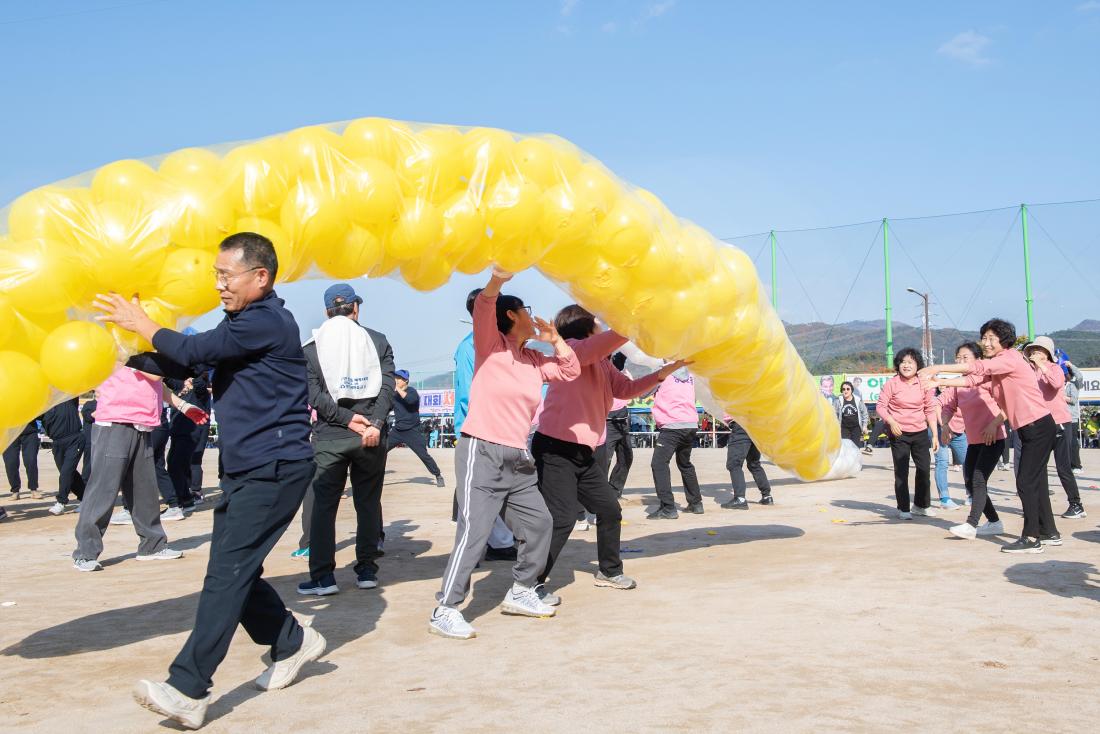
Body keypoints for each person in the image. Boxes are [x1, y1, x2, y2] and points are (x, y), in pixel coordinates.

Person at [97, 232, 326, 729]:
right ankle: (291, 639)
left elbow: (195, 347)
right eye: (216, 276)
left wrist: (145, 324)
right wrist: (128, 355)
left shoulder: (267, 320)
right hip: (248, 468)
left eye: (227, 276)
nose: (219, 285)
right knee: (233, 572)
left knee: (226, 574)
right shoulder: (242, 324)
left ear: (260, 277)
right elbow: (190, 360)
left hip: (275, 467)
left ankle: (188, 688)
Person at [430, 268, 580, 640]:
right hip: (482, 452)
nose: (534, 315)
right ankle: (445, 609)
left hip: (517, 457)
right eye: (526, 310)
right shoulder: (490, 347)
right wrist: (497, 280)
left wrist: (556, 340)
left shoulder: (533, 360)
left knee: (540, 523)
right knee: (475, 532)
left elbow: (571, 371)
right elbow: (484, 305)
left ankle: (522, 590)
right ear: (512, 315)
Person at [531, 305, 686, 600]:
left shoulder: (601, 362)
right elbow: (595, 347)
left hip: (585, 452)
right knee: (562, 518)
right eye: (597, 323)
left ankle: (609, 571)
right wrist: (632, 319)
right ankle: (529, 583)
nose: (601, 326)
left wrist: (662, 373)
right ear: (584, 328)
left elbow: (626, 390)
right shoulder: (574, 349)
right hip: (555, 448)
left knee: (609, 509)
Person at [920, 318, 1060, 553]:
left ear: (1003, 340)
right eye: (983, 338)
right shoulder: (999, 364)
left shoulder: (1009, 358)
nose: (985, 342)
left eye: (991, 338)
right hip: (1028, 428)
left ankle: (1032, 538)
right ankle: (1049, 533)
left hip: (1038, 425)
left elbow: (977, 368)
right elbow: (973, 379)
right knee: (1034, 481)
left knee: (1025, 482)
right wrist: (940, 380)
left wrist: (937, 368)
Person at [297, 283, 395, 596]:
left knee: (324, 508)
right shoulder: (377, 340)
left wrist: (346, 419)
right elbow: (387, 387)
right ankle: (367, 570)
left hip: (330, 438)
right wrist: (373, 424)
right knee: (367, 503)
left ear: (327, 311)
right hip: (371, 436)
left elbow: (313, 395)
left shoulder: (311, 347)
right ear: (355, 309)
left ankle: (323, 577)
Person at [71, 363, 191, 572]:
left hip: (142, 423)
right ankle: (85, 553)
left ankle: (152, 545)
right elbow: (154, 373)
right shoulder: (125, 349)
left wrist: (183, 405)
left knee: (144, 489)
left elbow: (156, 383)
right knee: (103, 490)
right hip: (116, 422)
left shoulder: (145, 350)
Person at [453, 287, 516, 562]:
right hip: (479, 428)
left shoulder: (500, 344)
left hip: (497, 427)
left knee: (494, 488)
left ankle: (496, 542)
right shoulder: (470, 346)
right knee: (480, 491)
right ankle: (490, 545)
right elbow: (470, 392)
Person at [938, 342, 1007, 540]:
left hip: (994, 437)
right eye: (958, 358)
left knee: (978, 479)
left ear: (977, 360)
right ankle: (994, 522)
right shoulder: (958, 384)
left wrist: (994, 424)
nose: (960, 361)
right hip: (975, 439)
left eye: (965, 358)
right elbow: (947, 406)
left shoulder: (987, 378)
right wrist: (945, 425)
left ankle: (971, 524)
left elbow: (1008, 405)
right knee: (970, 481)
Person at [1022, 337, 1085, 520]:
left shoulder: (1055, 369)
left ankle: (1076, 504)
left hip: (1060, 422)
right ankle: (1041, 506)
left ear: (1048, 354)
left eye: (1039, 351)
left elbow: (1056, 384)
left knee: (1062, 466)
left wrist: (1042, 366)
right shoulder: (1030, 372)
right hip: (1041, 424)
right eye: (1033, 351)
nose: (1035, 354)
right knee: (1039, 467)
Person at [876, 348, 939, 520]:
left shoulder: (923, 383)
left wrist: (934, 434)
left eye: (910, 362)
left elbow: (930, 409)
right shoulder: (892, 383)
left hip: (920, 432)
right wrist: (892, 421)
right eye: (903, 362)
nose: (906, 365)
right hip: (899, 434)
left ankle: (921, 505)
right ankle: (903, 508)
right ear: (898, 364)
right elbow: (881, 406)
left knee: (924, 469)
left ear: (917, 365)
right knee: (901, 472)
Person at [647, 368, 701, 519]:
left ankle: (668, 507)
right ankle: (696, 503)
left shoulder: (664, 372)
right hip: (690, 423)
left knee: (658, 464)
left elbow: (643, 391)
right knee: (685, 463)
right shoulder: (690, 374)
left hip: (672, 424)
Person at [387, 369, 444, 486]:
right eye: (395, 378)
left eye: (399, 378)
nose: (396, 380)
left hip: (412, 431)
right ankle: (374, 477)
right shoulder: (394, 396)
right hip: (397, 431)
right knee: (380, 452)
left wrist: (396, 388)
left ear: (406, 381)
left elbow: (410, 400)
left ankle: (437, 474)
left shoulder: (412, 392)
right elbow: (387, 408)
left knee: (424, 455)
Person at [41, 398, 86, 515]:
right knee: (69, 472)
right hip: (57, 443)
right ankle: (86, 499)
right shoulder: (43, 405)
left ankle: (61, 502)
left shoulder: (68, 398)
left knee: (66, 472)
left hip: (74, 439)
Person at [600, 352, 635, 498]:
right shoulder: (602, 373)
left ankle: (614, 490)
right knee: (605, 459)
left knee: (626, 457)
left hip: (623, 419)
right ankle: (599, 491)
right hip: (608, 421)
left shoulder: (625, 373)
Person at [720, 418, 773, 508]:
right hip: (755, 426)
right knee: (754, 464)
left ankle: (740, 498)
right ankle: (767, 496)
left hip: (741, 425)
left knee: (734, 464)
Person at [933, 388, 967, 510]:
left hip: (959, 432)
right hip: (941, 429)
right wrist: (943, 426)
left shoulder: (973, 390)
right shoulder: (949, 392)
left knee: (968, 462)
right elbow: (936, 404)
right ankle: (945, 499)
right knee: (942, 462)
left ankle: (971, 494)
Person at [4, 420, 40, 500]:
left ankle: (33, 489)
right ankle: (15, 490)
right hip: (9, 432)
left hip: (29, 431)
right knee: (10, 462)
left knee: (31, 460)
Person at [1063, 359, 1084, 474]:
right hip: (1061, 417)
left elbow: (1074, 400)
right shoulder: (1060, 385)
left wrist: (1070, 365)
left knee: (1072, 442)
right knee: (1064, 442)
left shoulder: (1074, 385)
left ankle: (1077, 465)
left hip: (1072, 418)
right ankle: (1068, 464)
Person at [835, 381, 868, 449]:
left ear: (851, 390)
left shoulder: (858, 400)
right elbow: (833, 414)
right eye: (843, 389)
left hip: (856, 428)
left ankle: (855, 459)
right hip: (844, 428)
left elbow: (864, 414)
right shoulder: (838, 401)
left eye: (848, 389)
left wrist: (864, 426)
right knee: (846, 448)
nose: (845, 391)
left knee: (855, 448)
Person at [80, 397, 97, 486]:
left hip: (105, 438)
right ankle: (85, 483)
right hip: (90, 438)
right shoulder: (89, 404)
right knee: (89, 463)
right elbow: (88, 417)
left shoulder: (110, 404)